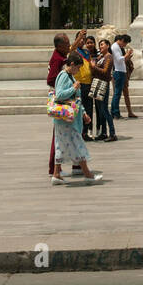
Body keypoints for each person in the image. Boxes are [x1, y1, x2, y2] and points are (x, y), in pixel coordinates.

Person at [51, 53, 102, 185]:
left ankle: (56, 174)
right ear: (72, 64)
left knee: (62, 145)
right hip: (67, 120)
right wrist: (73, 88)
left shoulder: (69, 75)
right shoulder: (64, 76)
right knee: (78, 145)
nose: (78, 70)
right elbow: (60, 95)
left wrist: (83, 113)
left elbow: (75, 100)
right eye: (78, 67)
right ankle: (88, 174)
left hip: (67, 119)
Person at [47, 33, 73, 176]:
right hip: (61, 101)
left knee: (68, 133)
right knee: (58, 134)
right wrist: (64, 86)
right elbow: (50, 79)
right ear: (59, 45)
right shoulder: (57, 59)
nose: (69, 46)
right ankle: (54, 169)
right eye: (67, 43)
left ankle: (76, 165)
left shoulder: (61, 57)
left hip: (66, 100)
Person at [92, 38, 117, 142]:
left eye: (102, 44)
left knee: (105, 109)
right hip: (97, 83)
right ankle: (103, 132)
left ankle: (112, 133)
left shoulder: (109, 57)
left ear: (108, 45)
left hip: (103, 84)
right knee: (100, 109)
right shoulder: (101, 57)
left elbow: (106, 72)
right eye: (100, 45)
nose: (100, 46)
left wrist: (94, 67)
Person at [111, 34, 138, 119]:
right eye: (125, 43)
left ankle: (114, 112)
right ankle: (115, 113)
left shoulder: (118, 47)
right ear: (122, 40)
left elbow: (122, 60)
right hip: (118, 72)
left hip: (121, 71)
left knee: (117, 93)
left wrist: (128, 56)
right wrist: (127, 54)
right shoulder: (115, 47)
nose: (125, 45)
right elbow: (119, 59)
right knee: (117, 93)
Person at [77, 35, 96, 140]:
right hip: (79, 83)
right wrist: (79, 36)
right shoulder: (74, 51)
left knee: (88, 108)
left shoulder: (87, 52)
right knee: (80, 108)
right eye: (80, 39)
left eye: (83, 40)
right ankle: (79, 132)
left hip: (88, 83)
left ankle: (86, 131)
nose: (82, 41)